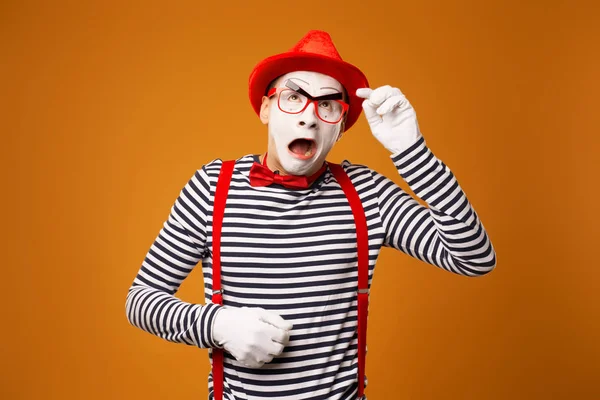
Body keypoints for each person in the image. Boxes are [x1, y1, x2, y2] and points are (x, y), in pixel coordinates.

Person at [125, 30, 496, 400]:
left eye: (328, 105)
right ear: (266, 109)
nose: (309, 118)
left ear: (340, 128)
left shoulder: (367, 194)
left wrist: (412, 151)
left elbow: (474, 257)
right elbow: (141, 300)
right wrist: (218, 324)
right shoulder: (211, 187)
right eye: (294, 97)